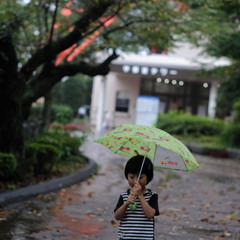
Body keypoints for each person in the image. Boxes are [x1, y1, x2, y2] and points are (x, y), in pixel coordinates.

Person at [114, 155, 159, 240]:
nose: (135, 181)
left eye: (140, 177)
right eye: (131, 177)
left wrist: (140, 195)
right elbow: (117, 217)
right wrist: (126, 204)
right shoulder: (124, 196)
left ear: (148, 178)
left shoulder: (152, 196)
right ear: (127, 176)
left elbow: (150, 215)